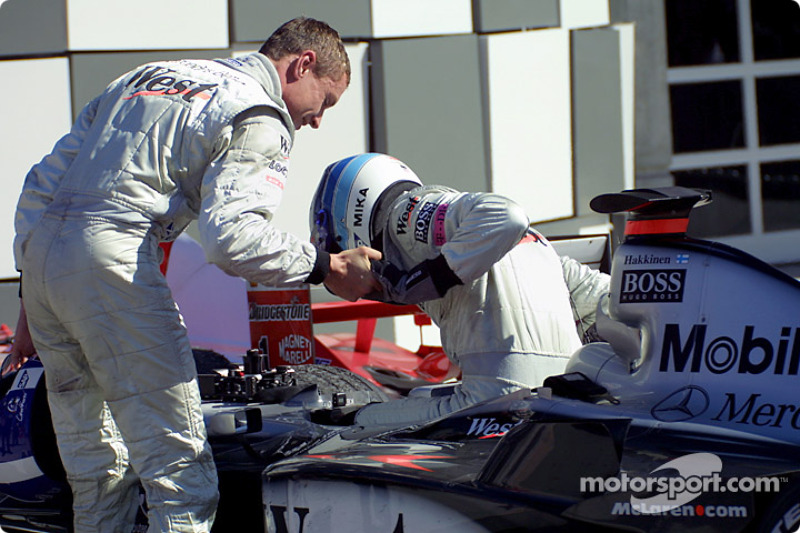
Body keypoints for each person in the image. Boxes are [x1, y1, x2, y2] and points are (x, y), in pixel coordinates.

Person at [11, 17, 381, 533]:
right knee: (182, 477)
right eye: (328, 101)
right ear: (303, 64)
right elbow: (233, 239)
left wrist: (32, 294)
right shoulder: (258, 113)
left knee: (98, 475)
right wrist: (328, 267)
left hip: (48, 266)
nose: (318, 120)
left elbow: (41, 184)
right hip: (115, 262)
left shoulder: (146, 75)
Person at [310, 153, 609, 427]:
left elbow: (508, 215)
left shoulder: (405, 217)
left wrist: (413, 282)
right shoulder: (532, 243)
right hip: (562, 400)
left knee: (344, 425)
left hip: (494, 408)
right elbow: (600, 295)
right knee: (419, 398)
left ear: (347, 221)